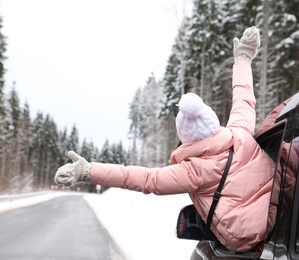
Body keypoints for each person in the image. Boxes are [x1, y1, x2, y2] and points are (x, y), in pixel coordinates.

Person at [54, 26, 276, 252]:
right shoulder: (239, 131)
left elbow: (143, 178)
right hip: (283, 216)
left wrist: (89, 171)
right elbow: (244, 97)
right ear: (213, 121)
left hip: (245, 241)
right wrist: (244, 57)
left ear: (185, 138)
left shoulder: (193, 171)